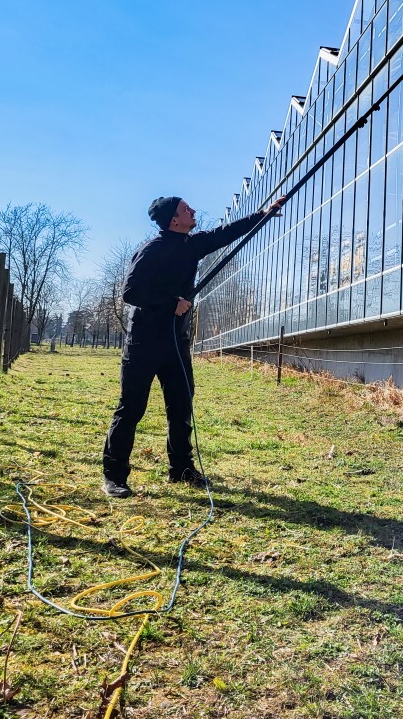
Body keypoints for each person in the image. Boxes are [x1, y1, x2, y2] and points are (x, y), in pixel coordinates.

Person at [102, 194, 284, 498]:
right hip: (145, 341)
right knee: (132, 407)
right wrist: (170, 302)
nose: (193, 210)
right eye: (186, 209)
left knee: (182, 404)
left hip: (176, 341)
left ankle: (181, 468)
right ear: (174, 219)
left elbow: (224, 234)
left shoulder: (191, 245)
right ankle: (115, 475)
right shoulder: (152, 250)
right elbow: (131, 292)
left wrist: (263, 214)